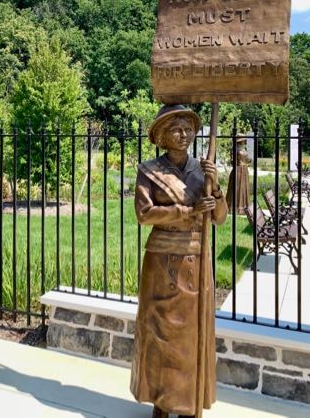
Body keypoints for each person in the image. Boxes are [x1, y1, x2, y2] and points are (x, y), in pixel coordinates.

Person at [130, 105, 228, 418]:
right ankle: (161, 401)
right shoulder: (149, 171)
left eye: (188, 129)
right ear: (161, 135)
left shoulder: (203, 170)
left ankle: (188, 401)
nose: (183, 135)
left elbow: (220, 219)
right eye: (176, 129)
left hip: (196, 261)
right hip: (162, 263)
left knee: (190, 338)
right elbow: (144, 214)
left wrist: (218, 195)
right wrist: (187, 212)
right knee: (161, 334)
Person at [226, 136, 251, 215]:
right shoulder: (236, 150)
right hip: (238, 170)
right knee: (237, 188)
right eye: (243, 141)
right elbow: (233, 161)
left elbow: (247, 159)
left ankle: (244, 206)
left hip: (244, 170)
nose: (244, 142)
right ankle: (236, 207)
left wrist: (247, 160)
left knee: (243, 188)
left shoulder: (242, 149)